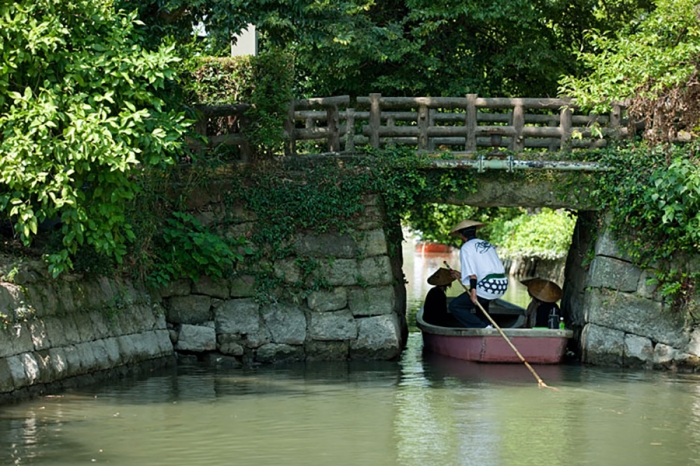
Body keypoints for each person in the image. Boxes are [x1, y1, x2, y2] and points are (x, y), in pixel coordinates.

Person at [447, 219, 508, 328]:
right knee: (481, 305)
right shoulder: (487, 244)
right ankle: (487, 324)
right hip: (502, 284)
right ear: (475, 232)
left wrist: (473, 292)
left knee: (455, 306)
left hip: (489, 286)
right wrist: (460, 275)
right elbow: (484, 270)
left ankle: (482, 327)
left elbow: (473, 274)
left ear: (461, 235)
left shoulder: (466, 247)